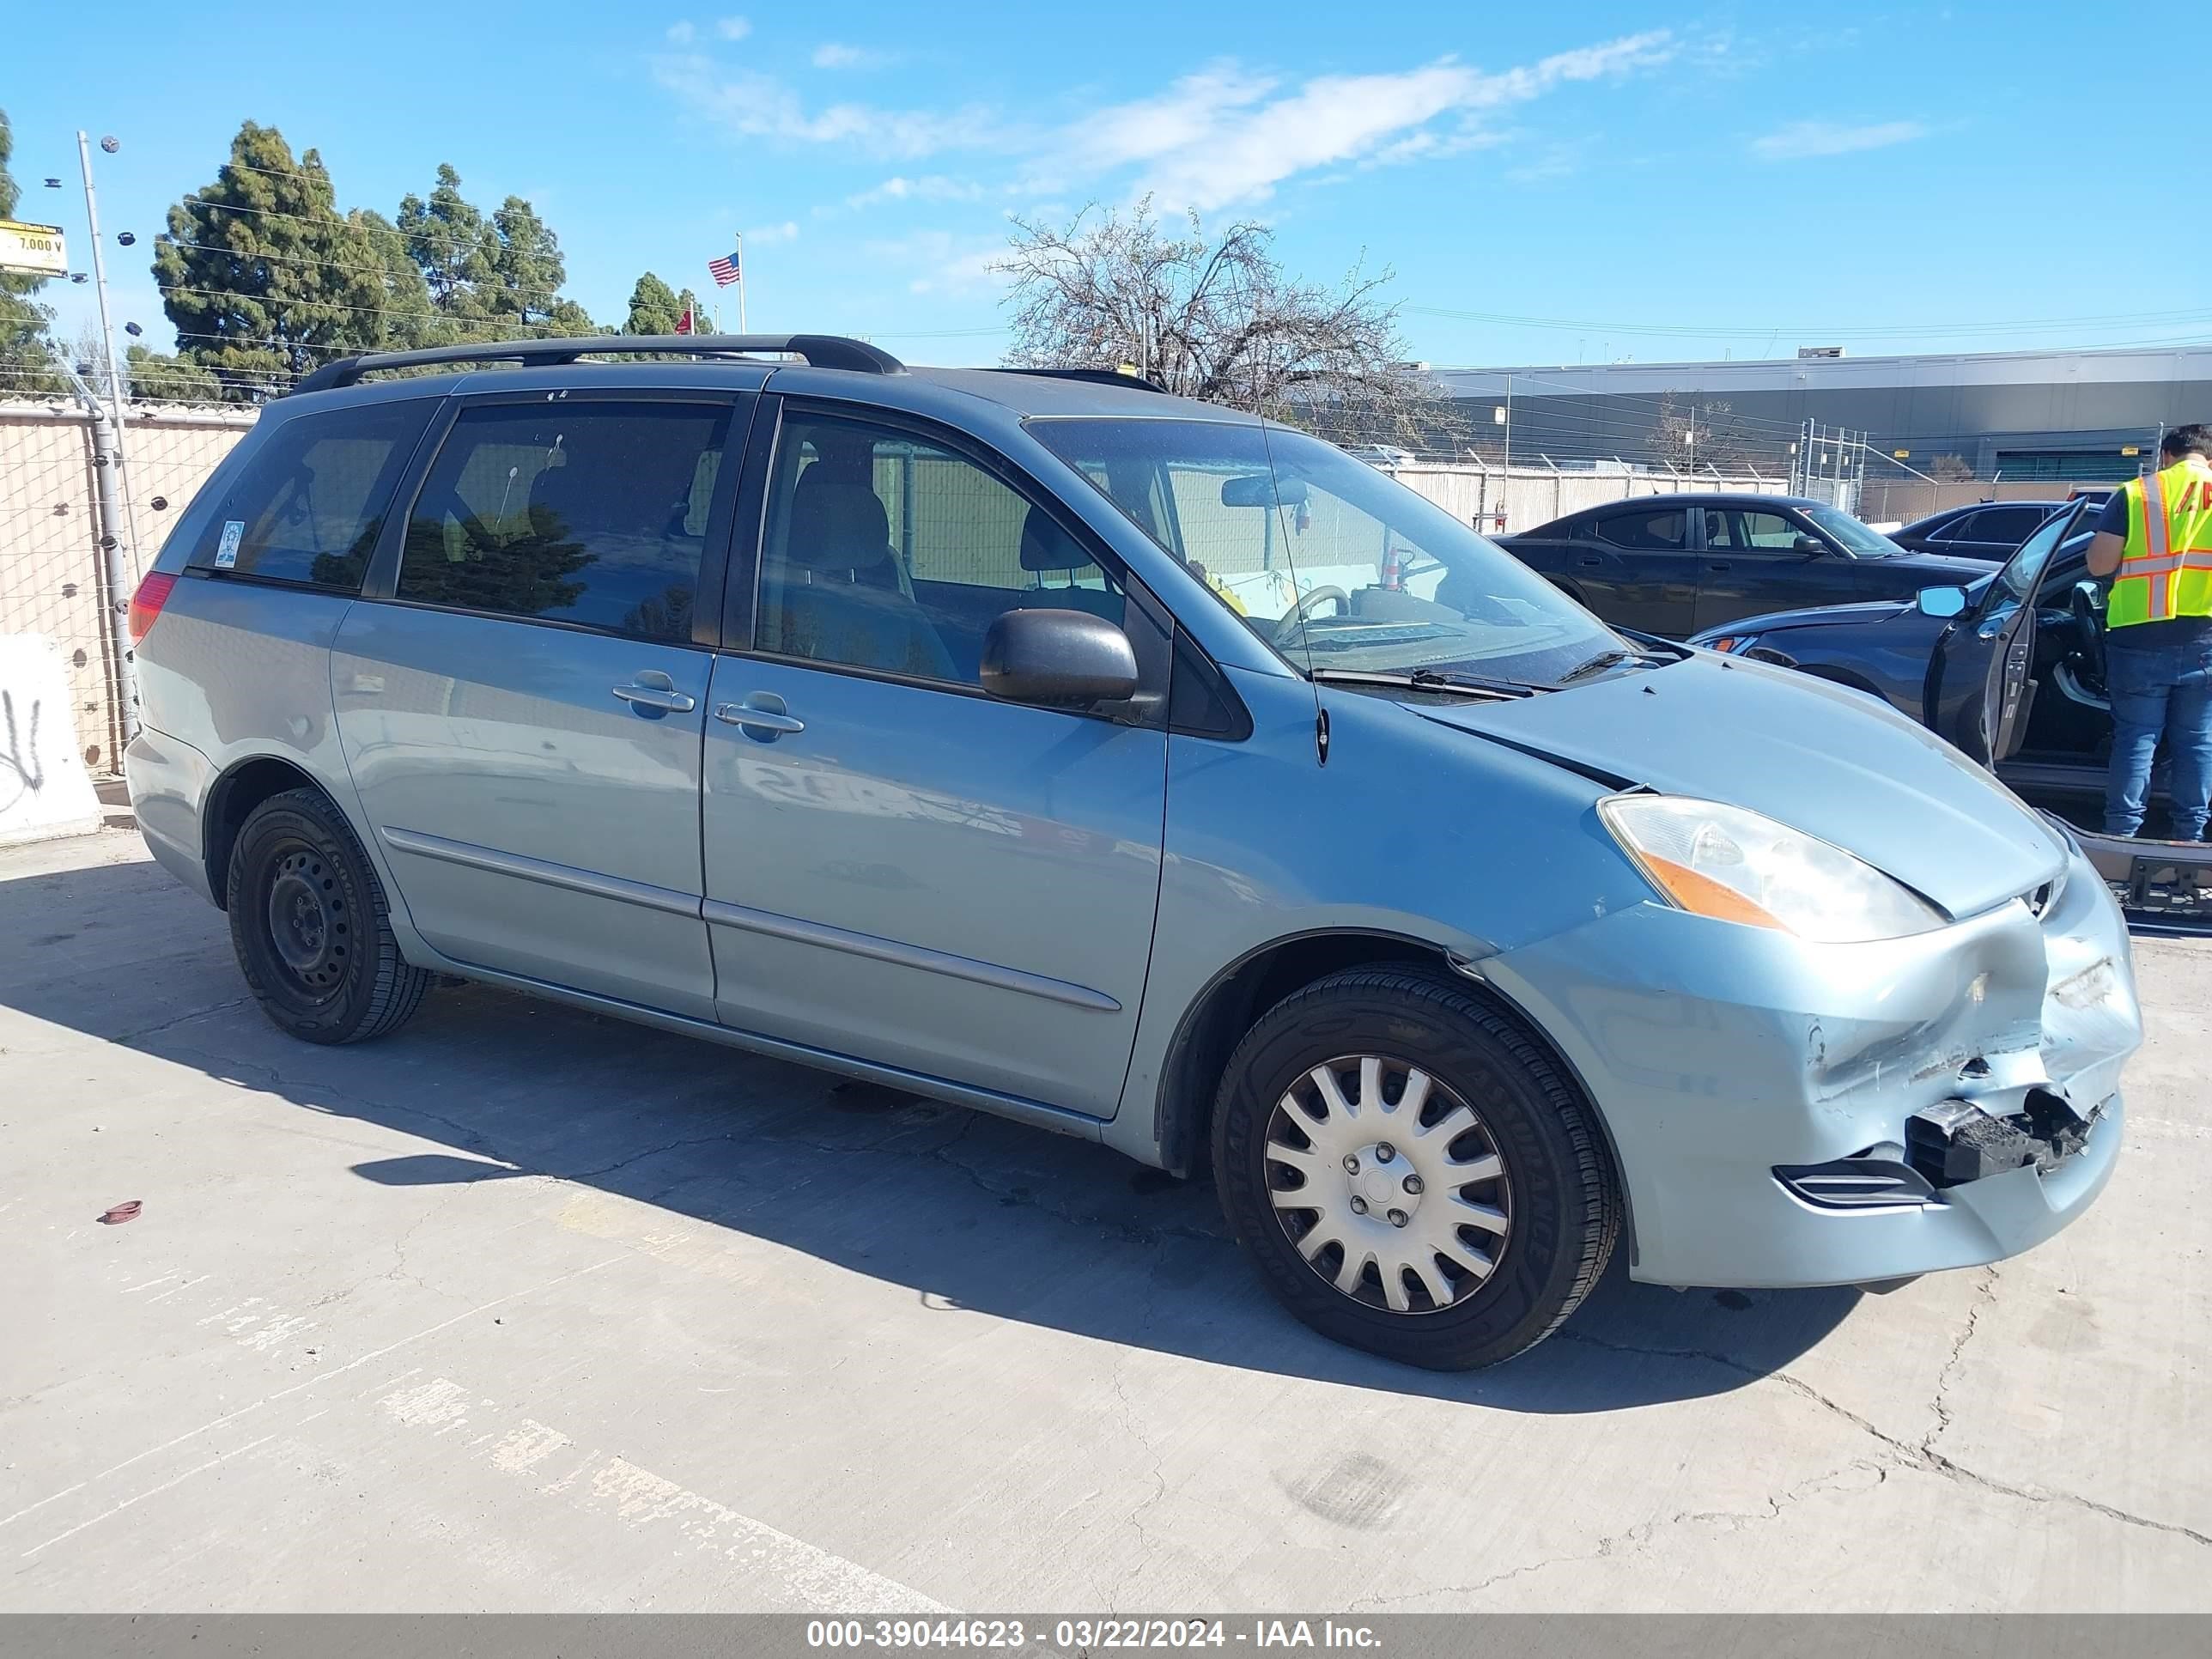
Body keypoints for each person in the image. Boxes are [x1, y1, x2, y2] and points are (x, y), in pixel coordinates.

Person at [2086, 425, 2212, 840]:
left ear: (2167, 456)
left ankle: (2120, 838)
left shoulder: (2138, 493)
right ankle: (2190, 843)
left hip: (2139, 638)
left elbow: (2099, 566)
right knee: (2196, 743)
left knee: (2137, 740)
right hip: (2206, 641)